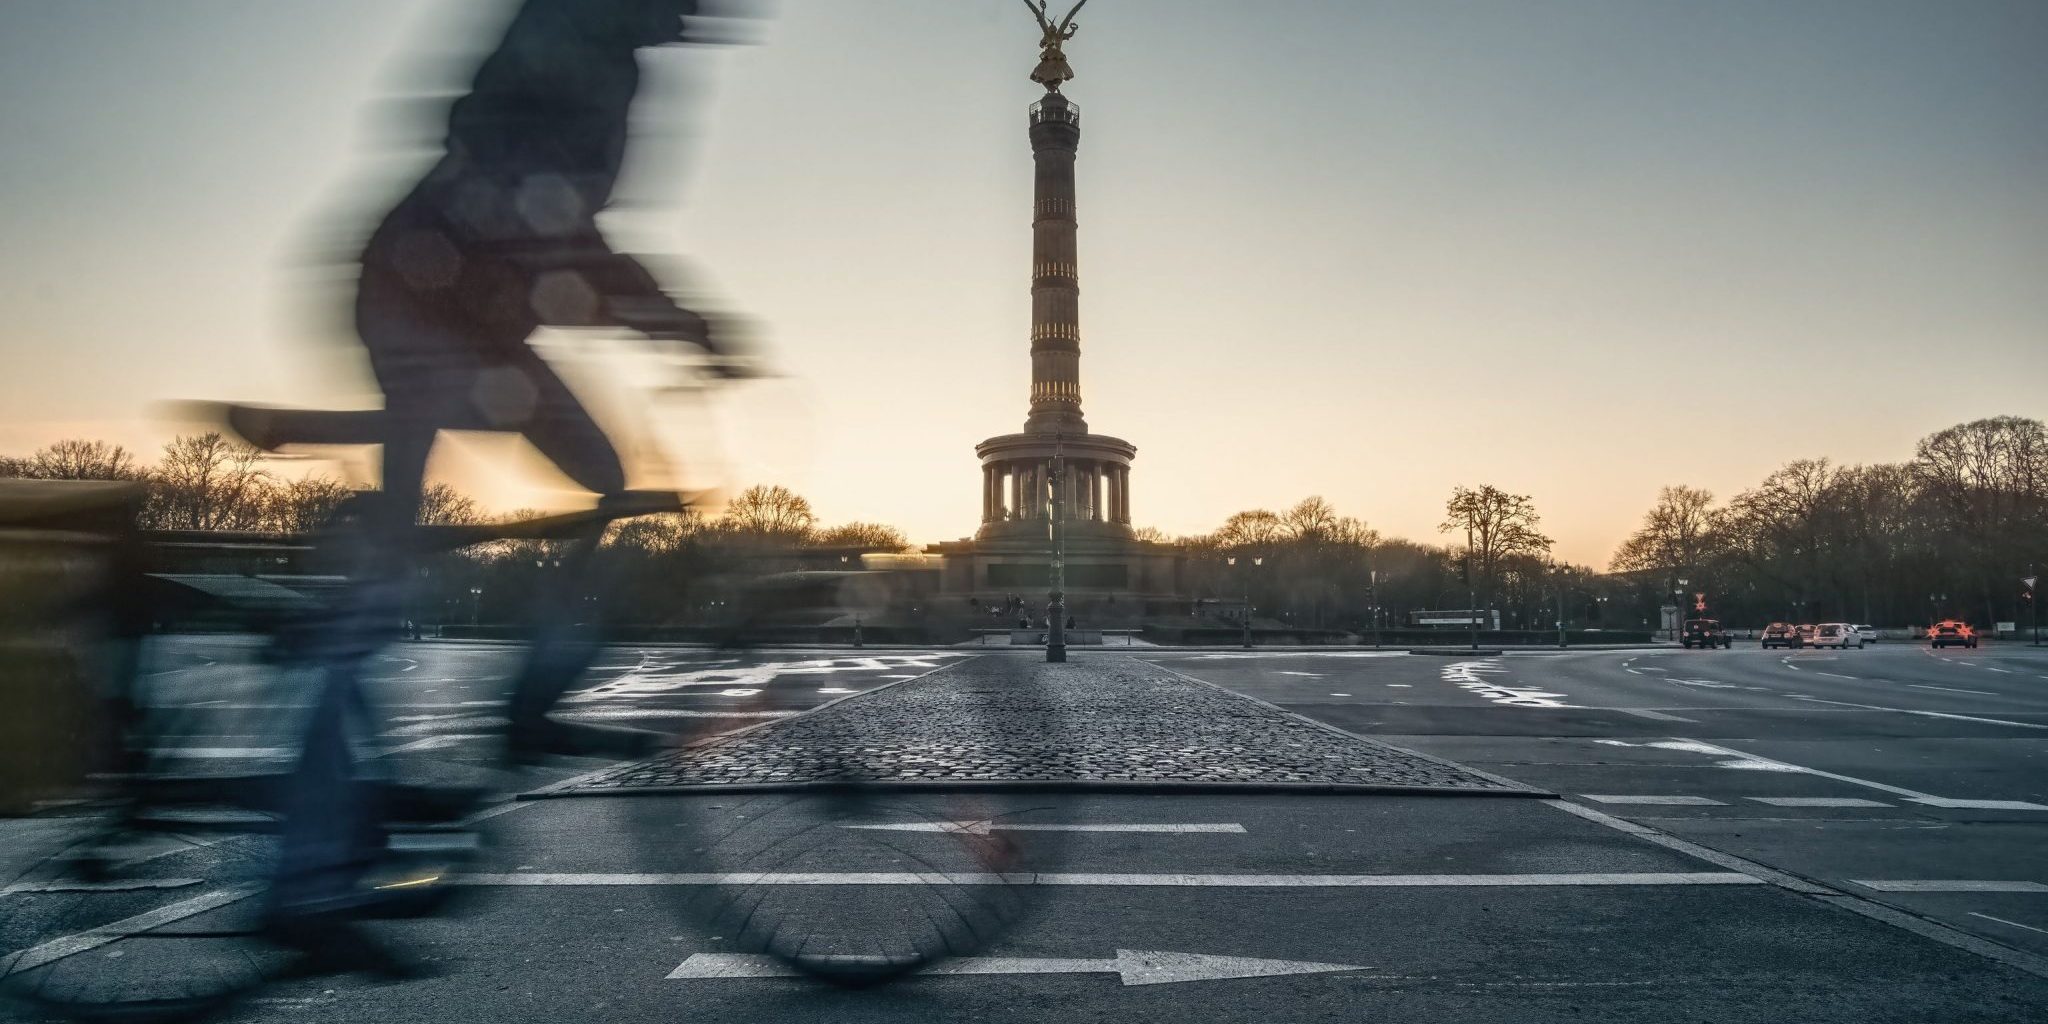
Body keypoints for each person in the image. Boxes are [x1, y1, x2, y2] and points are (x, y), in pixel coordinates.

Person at [241, 0, 759, 952]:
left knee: (609, 475)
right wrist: (667, 315)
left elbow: (566, 237)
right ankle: (306, 885)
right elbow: (543, 220)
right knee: (387, 569)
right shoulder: (571, 39)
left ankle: (534, 701)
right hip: (417, 293)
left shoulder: (613, 59)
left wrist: (660, 310)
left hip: (480, 315)